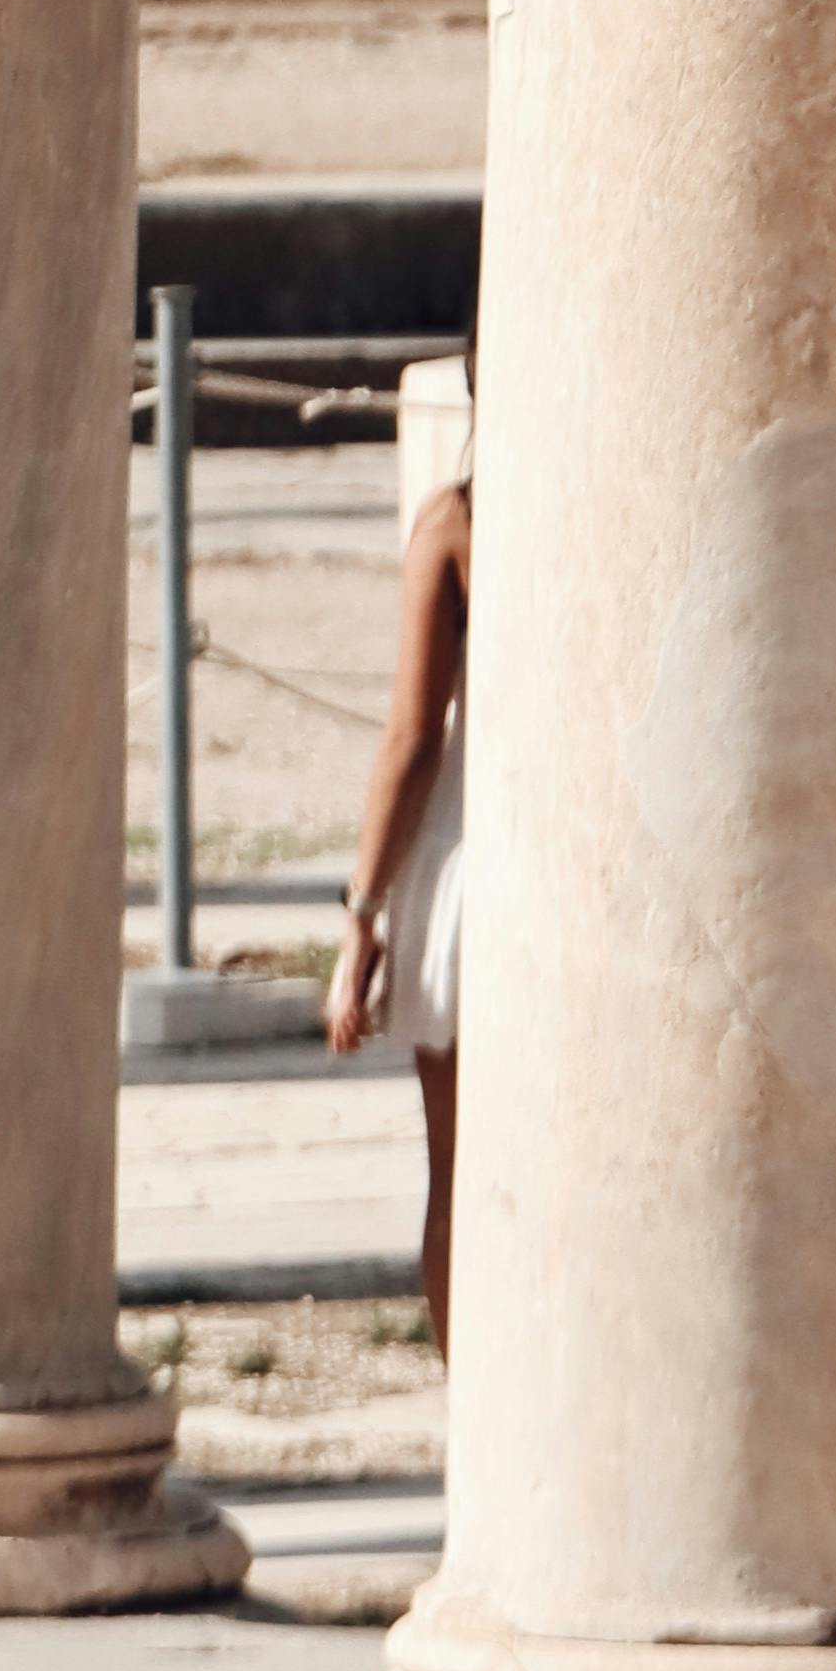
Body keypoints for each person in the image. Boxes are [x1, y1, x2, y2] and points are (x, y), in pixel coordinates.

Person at [325, 355, 470, 1342]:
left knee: (459, 1174)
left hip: (472, 854)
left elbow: (412, 735)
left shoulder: (458, 520)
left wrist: (362, 920)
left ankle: (484, 1434)